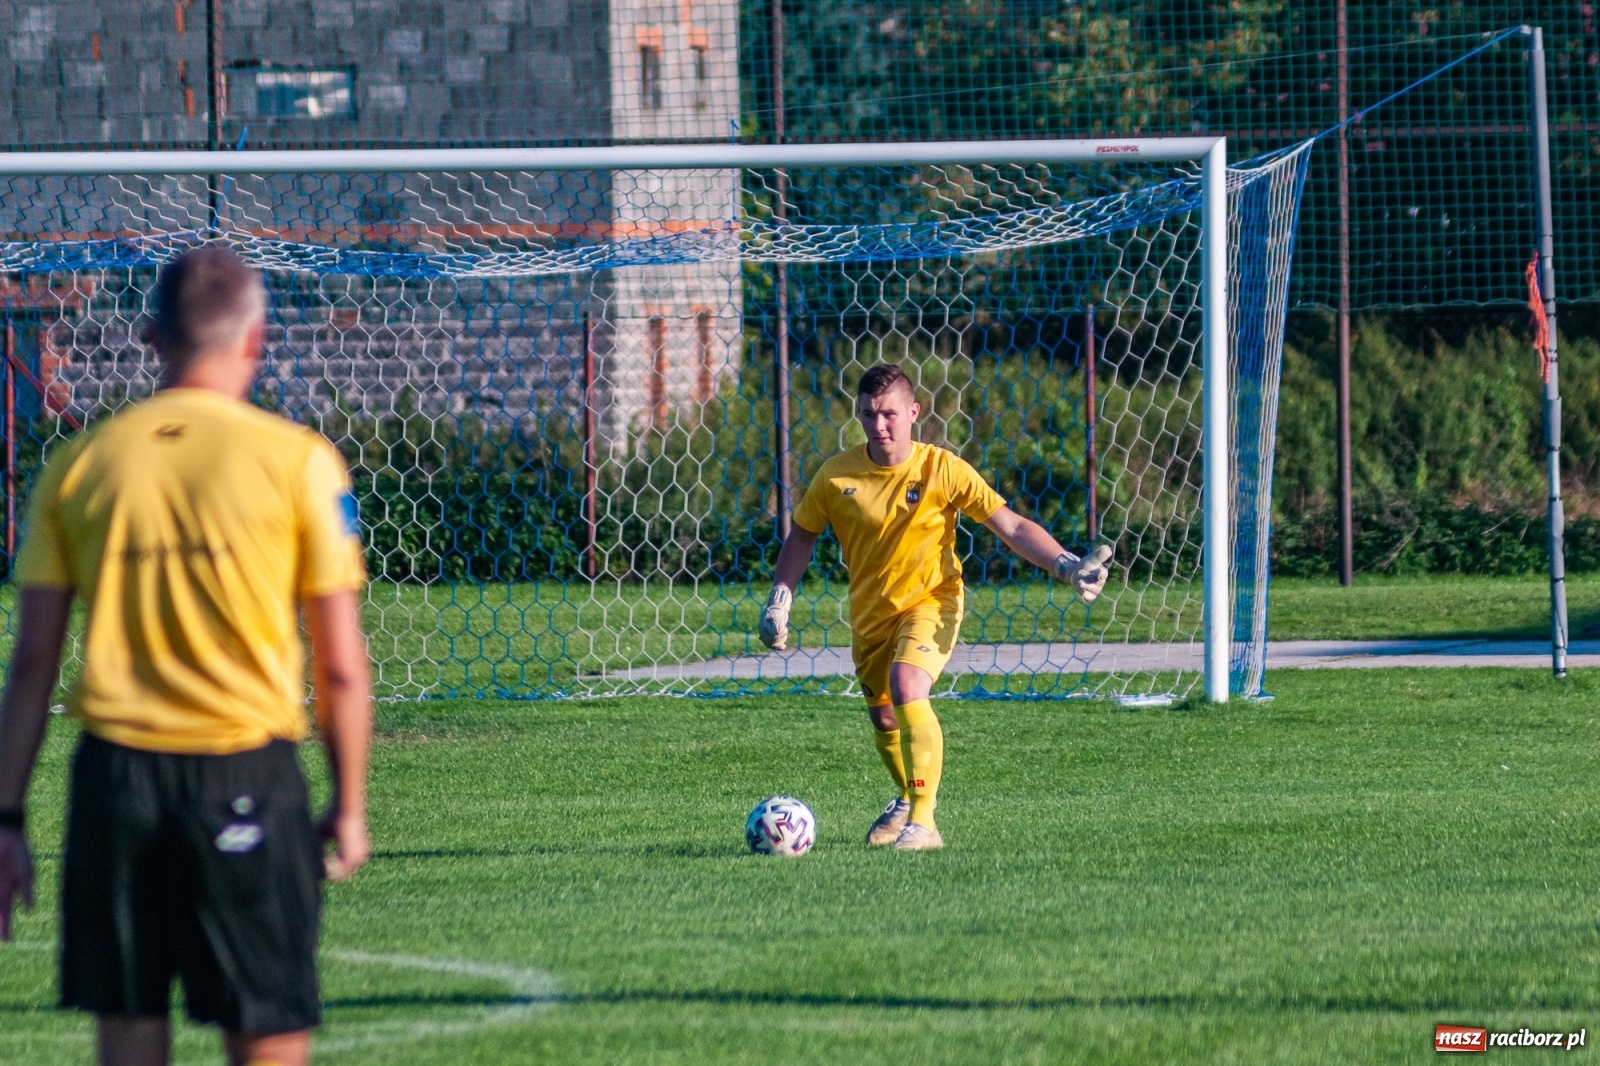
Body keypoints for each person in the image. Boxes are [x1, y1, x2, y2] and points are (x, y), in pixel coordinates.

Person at [0, 246, 373, 1066]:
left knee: (129, 1029)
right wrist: (347, 803)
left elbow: (30, 664)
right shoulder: (301, 461)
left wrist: (6, 818)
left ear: (150, 337)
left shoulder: (80, 464)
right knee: (265, 1028)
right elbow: (340, 665)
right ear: (255, 341)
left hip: (116, 785)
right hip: (243, 773)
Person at [758, 364, 1111, 851]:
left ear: (913, 412)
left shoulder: (941, 469)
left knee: (908, 686)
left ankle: (924, 824)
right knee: (883, 718)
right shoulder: (836, 476)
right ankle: (907, 798)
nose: (878, 425)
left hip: (933, 600)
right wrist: (781, 598)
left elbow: (1009, 525)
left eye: (888, 414)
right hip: (869, 615)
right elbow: (801, 536)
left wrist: (1066, 565)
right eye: (868, 415)